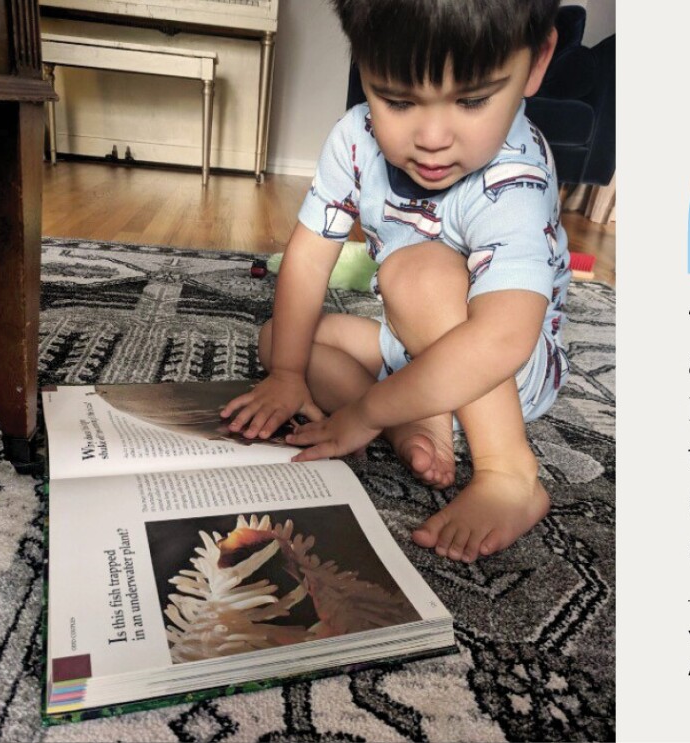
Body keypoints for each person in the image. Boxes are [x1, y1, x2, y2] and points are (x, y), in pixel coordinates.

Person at [220, 0, 569, 564]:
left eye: (473, 100)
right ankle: (412, 423)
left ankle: (510, 471)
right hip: (415, 344)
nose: (432, 138)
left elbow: (503, 339)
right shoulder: (354, 137)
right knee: (281, 340)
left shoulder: (515, 177)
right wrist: (286, 373)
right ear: (362, 64)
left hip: (507, 372)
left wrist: (362, 413)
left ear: (537, 62)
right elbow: (309, 257)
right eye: (398, 100)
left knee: (416, 271)